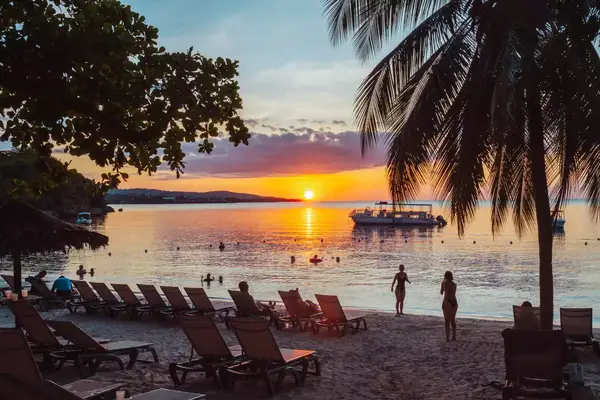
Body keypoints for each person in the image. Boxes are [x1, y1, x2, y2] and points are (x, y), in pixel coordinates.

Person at [440, 271, 458, 342]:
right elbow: (453, 292)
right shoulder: (454, 284)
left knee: (447, 321)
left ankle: (447, 338)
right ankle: (454, 336)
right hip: (454, 302)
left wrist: (443, 283)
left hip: (447, 302)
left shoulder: (444, 284)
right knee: (452, 320)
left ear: (445, 276)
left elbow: (441, 292)